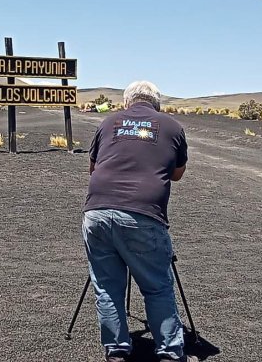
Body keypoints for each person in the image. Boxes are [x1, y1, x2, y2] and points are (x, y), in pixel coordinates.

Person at [83, 81, 196, 362]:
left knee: (107, 285)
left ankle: (117, 349)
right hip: (143, 214)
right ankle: (169, 351)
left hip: (97, 211)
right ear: (156, 103)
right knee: (157, 286)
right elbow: (177, 173)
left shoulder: (108, 122)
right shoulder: (172, 127)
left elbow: (93, 167)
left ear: (127, 102)